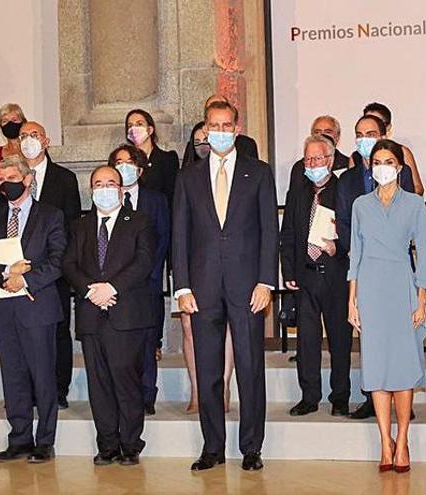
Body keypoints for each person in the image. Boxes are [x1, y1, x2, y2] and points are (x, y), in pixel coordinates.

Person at [173, 100, 278, 471]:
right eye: (213, 125)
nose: (220, 130)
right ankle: (212, 447)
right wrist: (182, 286)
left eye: (226, 124)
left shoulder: (259, 173)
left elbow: (270, 231)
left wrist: (267, 281)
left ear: (236, 128)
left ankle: (251, 446)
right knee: (208, 371)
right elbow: (179, 236)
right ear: (205, 128)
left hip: (248, 286)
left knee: (250, 368)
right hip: (201, 289)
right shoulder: (188, 178)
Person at [0, 154, 65, 464]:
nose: (7, 185)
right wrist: (5, 275)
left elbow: (57, 261)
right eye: (3, 180)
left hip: (36, 306)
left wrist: (24, 280)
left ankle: (45, 441)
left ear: (27, 179)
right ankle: (19, 438)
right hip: (5, 308)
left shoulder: (50, 216)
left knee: (42, 375)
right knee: (12, 377)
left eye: (13, 178)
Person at [347, 139, 426, 473]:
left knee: (402, 368)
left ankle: (403, 440)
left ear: (400, 166)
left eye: (389, 161)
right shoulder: (360, 205)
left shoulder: (414, 204)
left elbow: (423, 253)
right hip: (369, 289)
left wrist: (423, 298)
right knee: (378, 370)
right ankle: (385, 443)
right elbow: (355, 253)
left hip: (402, 288)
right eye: (377, 161)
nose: (382, 166)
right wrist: (351, 300)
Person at [62, 165, 156, 466]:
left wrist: (111, 287)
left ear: (121, 188)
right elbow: (69, 264)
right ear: (91, 190)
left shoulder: (139, 222)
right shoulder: (80, 225)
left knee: (125, 381)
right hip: (91, 313)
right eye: (98, 184)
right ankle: (107, 445)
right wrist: (92, 290)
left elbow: (144, 262)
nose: (104, 189)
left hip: (126, 313)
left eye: (110, 183)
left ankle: (130, 444)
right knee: (99, 384)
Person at [335, 115, 416, 421]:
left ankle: (404, 404)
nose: (364, 138)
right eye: (359, 134)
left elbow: (410, 217)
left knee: (400, 342)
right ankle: (374, 400)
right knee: (373, 344)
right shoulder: (348, 180)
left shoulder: (401, 176)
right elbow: (345, 223)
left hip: (397, 271)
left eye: (370, 133)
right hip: (364, 268)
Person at [280, 135, 351, 417]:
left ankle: (341, 396)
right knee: (306, 341)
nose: (311, 164)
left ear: (330, 160)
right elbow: (287, 235)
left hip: (335, 276)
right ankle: (309, 396)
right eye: (308, 159)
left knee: (339, 339)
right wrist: (288, 271)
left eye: (317, 159)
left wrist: (340, 247)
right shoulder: (298, 193)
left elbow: (354, 231)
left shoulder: (344, 191)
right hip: (305, 277)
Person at [18, 120, 81, 409]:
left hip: (54, 270)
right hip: (19, 269)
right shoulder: (12, 177)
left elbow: (72, 226)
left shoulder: (64, 179)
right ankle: (30, 387)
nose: (28, 140)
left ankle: (58, 388)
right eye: (23, 136)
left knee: (57, 330)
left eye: (34, 135)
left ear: (46, 141)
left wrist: (61, 264)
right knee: (25, 331)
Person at [179, 121, 236, 414]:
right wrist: (183, 282)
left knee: (226, 327)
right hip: (196, 269)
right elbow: (181, 230)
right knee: (190, 327)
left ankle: (223, 384)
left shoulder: (243, 172)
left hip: (230, 269)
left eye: (209, 135)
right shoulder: (187, 178)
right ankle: (199, 388)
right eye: (200, 138)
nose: (206, 141)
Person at [109, 144, 170, 416]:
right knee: (119, 346)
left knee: (147, 343)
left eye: (129, 161)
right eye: (118, 162)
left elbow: (163, 239)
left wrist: (149, 275)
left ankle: (147, 395)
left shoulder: (156, 200)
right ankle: (123, 397)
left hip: (147, 284)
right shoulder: (107, 198)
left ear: (140, 167)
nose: (124, 166)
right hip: (113, 287)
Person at [362, 102, 425, 195]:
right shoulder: (356, 156)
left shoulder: (402, 152)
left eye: (377, 123)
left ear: (388, 128)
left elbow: (418, 188)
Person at [182, 94, 259, 163]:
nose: (220, 130)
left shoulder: (246, 145)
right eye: (213, 107)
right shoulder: (196, 144)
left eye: (222, 106)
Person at [125, 109, 179, 206]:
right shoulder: (123, 162)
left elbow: (172, 197)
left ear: (150, 130)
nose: (133, 128)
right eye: (130, 126)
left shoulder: (167, 159)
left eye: (139, 124)